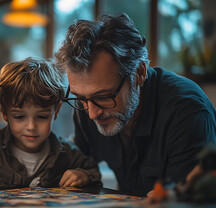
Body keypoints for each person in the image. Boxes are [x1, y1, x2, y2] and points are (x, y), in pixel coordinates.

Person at [55, 13, 216, 197]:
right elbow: (81, 163)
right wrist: (83, 173)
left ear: (139, 72)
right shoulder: (87, 105)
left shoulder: (187, 112)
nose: (91, 114)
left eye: (104, 96)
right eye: (80, 97)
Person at [0, 57, 101, 193]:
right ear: (5, 113)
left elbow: (93, 172)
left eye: (41, 116)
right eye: (19, 116)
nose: (31, 126)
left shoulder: (66, 153)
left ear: (56, 111)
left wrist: (83, 176)